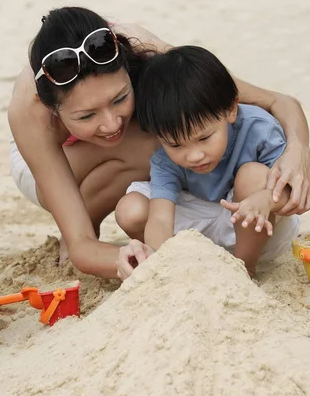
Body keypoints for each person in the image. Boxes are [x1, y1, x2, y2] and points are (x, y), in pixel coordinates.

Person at [8, 6, 310, 279]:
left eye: (120, 98)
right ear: (53, 109)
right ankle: (82, 214)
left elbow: (277, 101)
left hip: (141, 150)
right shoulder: (31, 113)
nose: (111, 122)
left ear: (128, 68)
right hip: (51, 162)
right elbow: (80, 248)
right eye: (86, 115)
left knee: (173, 129)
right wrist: (118, 257)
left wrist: (298, 151)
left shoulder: (148, 53)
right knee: (155, 146)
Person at [115, 46, 300, 278]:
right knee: (130, 209)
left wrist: (266, 199)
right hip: (206, 224)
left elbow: (290, 187)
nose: (193, 156)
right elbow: (161, 218)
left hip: (259, 225)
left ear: (231, 110)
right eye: (176, 145)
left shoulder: (259, 129)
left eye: (204, 138)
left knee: (254, 176)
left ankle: (245, 269)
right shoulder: (165, 158)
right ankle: (189, 263)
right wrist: (160, 263)